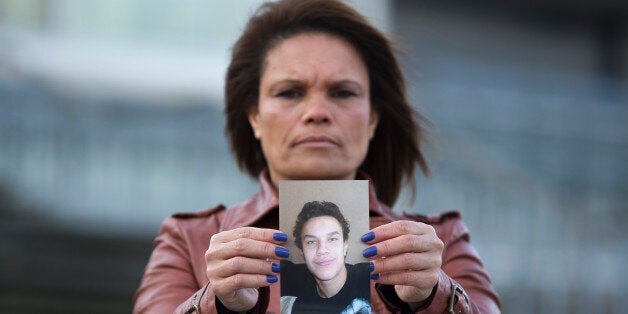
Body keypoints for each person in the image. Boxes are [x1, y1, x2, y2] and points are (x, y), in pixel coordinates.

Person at [133, 0, 501, 313]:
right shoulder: (189, 238)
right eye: (290, 92)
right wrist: (218, 303)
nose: (317, 111)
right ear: (254, 117)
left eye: (342, 92)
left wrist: (432, 295)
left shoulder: (442, 241)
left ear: (373, 118)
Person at [280, 201, 371, 314]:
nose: (322, 250)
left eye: (332, 239)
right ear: (302, 252)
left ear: (345, 245)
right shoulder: (289, 282)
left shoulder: (369, 277)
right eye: (311, 242)